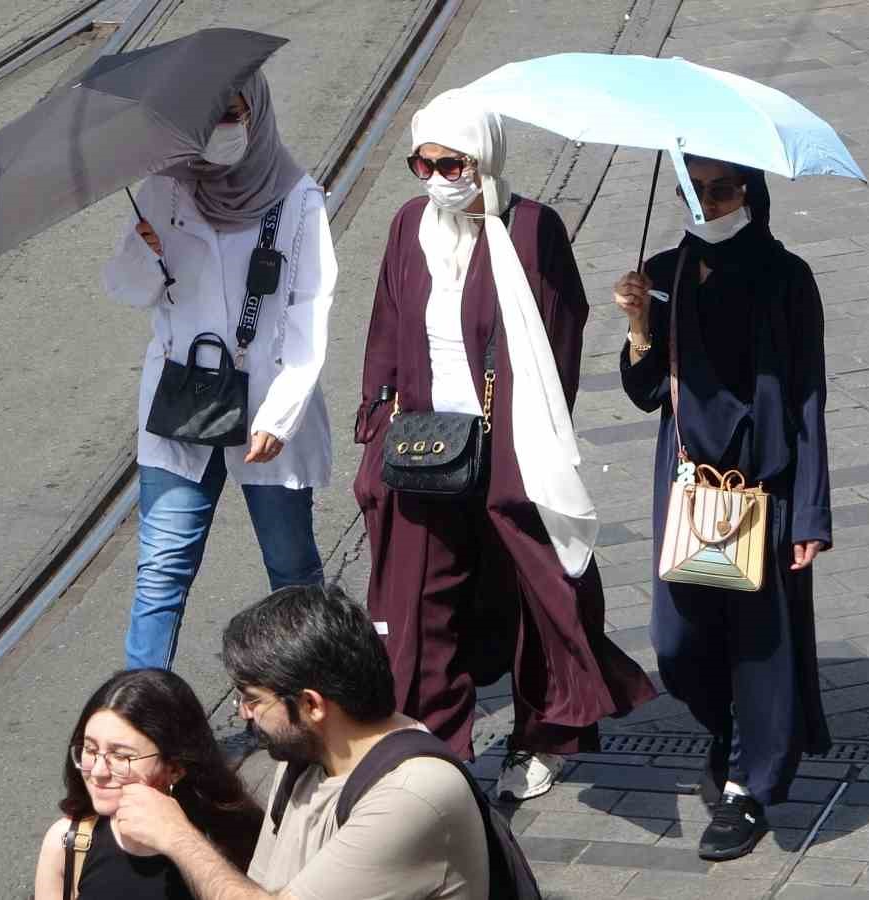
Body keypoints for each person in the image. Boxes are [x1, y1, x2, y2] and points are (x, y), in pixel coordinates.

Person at [350, 89, 655, 801]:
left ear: (483, 161)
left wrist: (528, 434)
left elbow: (558, 333)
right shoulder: (407, 227)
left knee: (537, 591)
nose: (434, 180)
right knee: (420, 603)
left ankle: (539, 735)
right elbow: (388, 333)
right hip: (424, 449)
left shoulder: (530, 229)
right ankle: (432, 755)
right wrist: (377, 434)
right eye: (419, 165)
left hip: (507, 450)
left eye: (450, 164)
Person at [613, 154, 834, 860]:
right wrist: (638, 323)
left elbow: (806, 398)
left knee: (758, 644)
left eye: (723, 189)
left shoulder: (785, 276)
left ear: (750, 192)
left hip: (759, 482)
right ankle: (725, 723)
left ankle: (749, 785)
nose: (708, 203)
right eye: (696, 190)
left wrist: (809, 515)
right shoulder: (667, 269)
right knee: (676, 639)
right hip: (684, 480)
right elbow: (646, 390)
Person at [103, 72, 335, 670]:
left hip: (266, 404)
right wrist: (143, 247)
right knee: (161, 572)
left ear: (255, 114)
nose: (221, 130)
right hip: (183, 404)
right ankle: (143, 724)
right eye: (209, 117)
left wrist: (283, 415)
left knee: (292, 570)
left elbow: (311, 313)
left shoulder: (298, 199)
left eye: (233, 113)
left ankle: (314, 702)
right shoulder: (165, 189)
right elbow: (131, 292)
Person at [112, 584, 491, 900]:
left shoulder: (410, 793)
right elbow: (260, 885)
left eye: (253, 699)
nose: (243, 713)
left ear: (311, 704)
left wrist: (178, 837)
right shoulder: (306, 758)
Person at [33, 668, 264, 899]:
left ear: (174, 768)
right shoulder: (67, 844)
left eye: (122, 757)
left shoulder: (228, 844)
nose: (98, 771)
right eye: (90, 749)